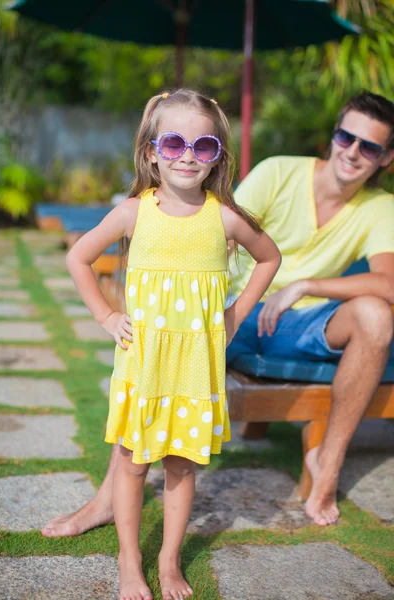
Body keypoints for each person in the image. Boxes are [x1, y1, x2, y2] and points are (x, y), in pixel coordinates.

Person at [41, 90, 394, 537]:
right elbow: (204, 219)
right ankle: (107, 500)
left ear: (386, 158)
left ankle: (328, 464)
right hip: (211, 311)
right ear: (333, 136)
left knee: (377, 315)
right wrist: (219, 309)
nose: (354, 151)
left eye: (370, 146)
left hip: (294, 320)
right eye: (347, 136)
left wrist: (302, 287)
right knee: (148, 385)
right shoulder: (278, 172)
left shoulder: (381, 208)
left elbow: (384, 282)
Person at [61, 89, 281, 600]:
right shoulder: (134, 212)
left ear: (217, 156)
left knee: (182, 466)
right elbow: (78, 259)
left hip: (195, 368)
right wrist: (107, 314)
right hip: (144, 364)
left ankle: (168, 562)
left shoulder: (224, 218)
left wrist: (236, 313)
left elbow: (268, 259)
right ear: (152, 151)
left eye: (203, 145)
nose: (187, 155)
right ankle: (129, 561)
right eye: (175, 142)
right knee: (134, 463)